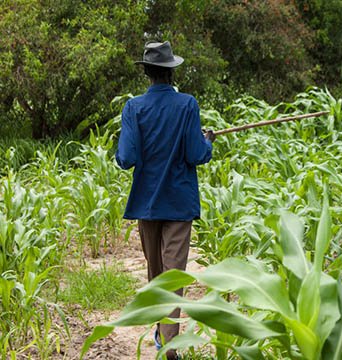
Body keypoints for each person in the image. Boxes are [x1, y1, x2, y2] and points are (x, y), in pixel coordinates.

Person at [115, 41, 215, 360]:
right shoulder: (187, 105)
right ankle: (167, 339)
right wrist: (207, 142)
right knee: (175, 271)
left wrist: (120, 153)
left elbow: (126, 158)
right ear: (172, 72)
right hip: (178, 202)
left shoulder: (133, 108)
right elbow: (197, 155)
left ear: (146, 72)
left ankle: (164, 336)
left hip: (147, 203)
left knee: (156, 270)